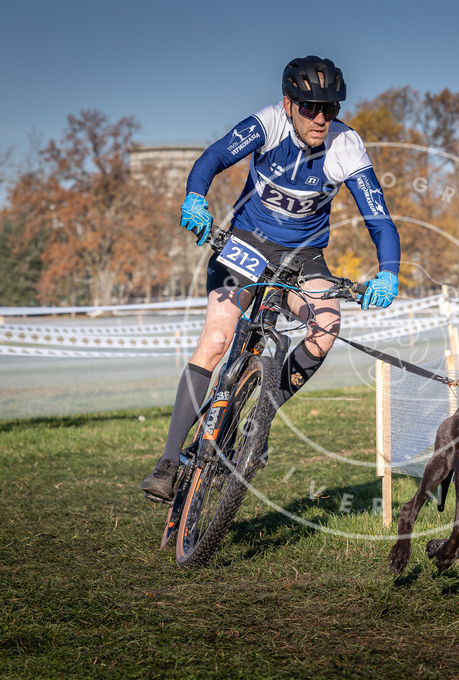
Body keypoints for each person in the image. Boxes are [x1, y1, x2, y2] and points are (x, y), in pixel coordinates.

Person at [141, 56, 400, 501]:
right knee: (217, 339)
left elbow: (379, 220)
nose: (320, 118)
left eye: (330, 109)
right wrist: (195, 197)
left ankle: (258, 418)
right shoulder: (268, 123)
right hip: (246, 244)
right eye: (310, 107)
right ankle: (167, 462)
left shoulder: (346, 145)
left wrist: (388, 272)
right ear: (288, 104)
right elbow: (214, 156)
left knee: (325, 328)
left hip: (304, 256)